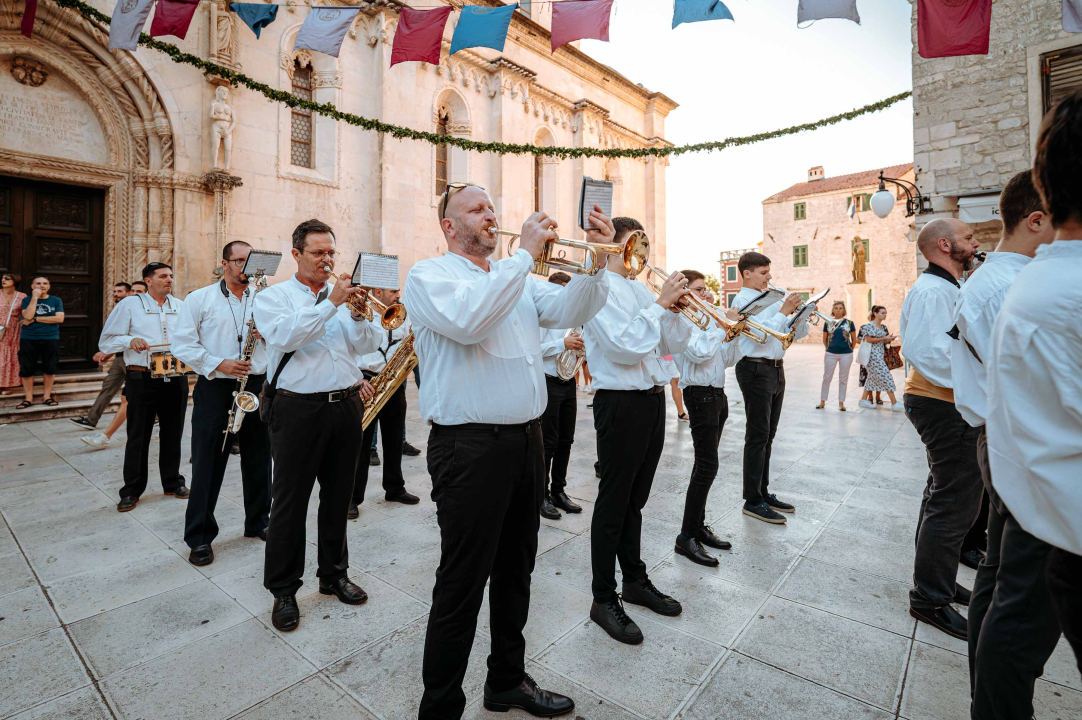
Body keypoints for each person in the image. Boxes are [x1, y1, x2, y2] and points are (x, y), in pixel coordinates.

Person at [406, 185, 611, 720]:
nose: (490, 215)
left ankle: (506, 681)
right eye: (476, 209)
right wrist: (522, 254)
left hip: (526, 441)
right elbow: (470, 321)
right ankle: (441, 706)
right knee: (462, 581)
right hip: (468, 448)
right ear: (450, 227)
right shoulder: (431, 277)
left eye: (491, 207)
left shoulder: (518, 280)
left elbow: (572, 308)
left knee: (517, 570)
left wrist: (599, 263)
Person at [949, 170, 1060, 717]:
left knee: (999, 575)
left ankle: (985, 687)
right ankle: (992, 697)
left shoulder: (1001, 281)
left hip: (1011, 432)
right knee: (1018, 594)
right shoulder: (1002, 285)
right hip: (1014, 434)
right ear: (1036, 221)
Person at [988, 91, 1082, 686]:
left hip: (1034, 484)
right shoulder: (1051, 294)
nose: (972, 247)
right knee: (1011, 617)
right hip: (1037, 490)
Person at [252, 218, 381, 633]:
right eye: (318, 253)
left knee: (338, 497)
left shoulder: (340, 298)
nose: (327, 260)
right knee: (289, 502)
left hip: (344, 406)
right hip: (297, 410)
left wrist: (360, 316)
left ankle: (334, 574)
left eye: (331, 252)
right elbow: (287, 337)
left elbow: (366, 347)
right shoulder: (274, 298)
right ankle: (284, 589)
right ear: (296, 255)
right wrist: (332, 304)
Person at [583, 216, 692, 645]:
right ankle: (602, 597)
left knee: (635, 500)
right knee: (613, 503)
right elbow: (624, 346)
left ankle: (634, 579)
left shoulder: (641, 290)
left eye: (643, 247)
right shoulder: (598, 290)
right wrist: (658, 306)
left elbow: (670, 347)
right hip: (620, 402)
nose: (641, 257)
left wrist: (677, 312)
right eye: (634, 246)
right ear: (612, 245)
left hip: (650, 399)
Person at [899, 217, 982, 640]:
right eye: (969, 237)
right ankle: (929, 598)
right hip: (943, 404)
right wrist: (984, 377)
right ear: (946, 245)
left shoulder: (944, 288)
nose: (976, 242)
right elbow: (925, 352)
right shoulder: (933, 290)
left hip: (943, 401)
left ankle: (939, 581)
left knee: (942, 496)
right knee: (953, 504)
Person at [171, 241, 272, 567]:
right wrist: (219, 363)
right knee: (208, 463)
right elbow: (182, 344)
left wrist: (270, 334)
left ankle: (259, 521)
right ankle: (199, 537)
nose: (245, 267)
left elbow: (284, 341)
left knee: (259, 459)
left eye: (249, 261)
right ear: (225, 263)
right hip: (216, 386)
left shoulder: (266, 299)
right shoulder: (200, 298)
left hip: (256, 385)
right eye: (239, 261)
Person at [99, 263, 189, 511]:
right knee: (138, 434)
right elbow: (106, 340)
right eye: (162, 276)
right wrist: (130, 340)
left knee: (173, 432)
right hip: (142, 376)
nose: (169, 280)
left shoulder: (181, 306)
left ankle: (173, 482)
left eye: (171, 276)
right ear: (148, 281)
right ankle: (131, 490)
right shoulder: (129, 305)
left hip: (175, 374)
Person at [672, 270, 743, 567]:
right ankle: (686, 537)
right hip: (699, 396)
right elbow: (699, 354)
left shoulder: (705, 321)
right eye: (700, 290)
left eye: (705, 290)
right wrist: (719, 323)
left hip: (717, 394)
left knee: (705, 465)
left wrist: (734, 333)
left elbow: (724, 359)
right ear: (685, 292)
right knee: (707, 465)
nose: (706, 295)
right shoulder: (682, 321)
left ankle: (698, 525)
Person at [732, 253, 806, 525]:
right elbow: (762, 335)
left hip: (775, 368)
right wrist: (783, 311)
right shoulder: (741, 301)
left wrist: (798, 317)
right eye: (764, 272)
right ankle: (752, 500)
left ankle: (762, 492)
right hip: (754, 368)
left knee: (769, 435)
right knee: (757, 435)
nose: (769, 277)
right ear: (747, 274)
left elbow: (789, 335)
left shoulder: (771, 299)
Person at [349, 285, 421, 520]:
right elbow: (346, 351)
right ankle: (352, 498)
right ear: (377, 293)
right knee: (360, 443)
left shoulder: (402, 314)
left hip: (393, 380)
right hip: (366, 382)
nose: (398, 295)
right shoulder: (359, 316)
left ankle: (394, 488)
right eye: (392, 291)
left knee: (394, 440)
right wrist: (356, 380)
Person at [538, 271, 584, 521]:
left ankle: (559, 491)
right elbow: (533, 348)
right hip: (548, 382)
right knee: (548, 441)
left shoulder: (572, 317)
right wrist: (562, 344)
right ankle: (541, 495)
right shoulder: (544, 318)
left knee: (567, 439)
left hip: (568, 382)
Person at [70, 282, 134, 430]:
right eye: (115, 292)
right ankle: (91, 419)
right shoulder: (118, 309)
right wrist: (109, 353)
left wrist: (106, 352)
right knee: (108, 386)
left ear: (128, 293)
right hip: (119, 357)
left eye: (120, 291)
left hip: (133, 357)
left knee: (137, 391)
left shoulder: (132, 310)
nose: (116, 294)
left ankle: (156, 417)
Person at [15, 275, 64, 409]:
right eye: (38, 283)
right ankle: (28, 398)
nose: (42, 286)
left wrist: (36, 319)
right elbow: (27, 316)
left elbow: (59, 319)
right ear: (32, 286)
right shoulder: (27, 300)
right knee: (27, 368)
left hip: (50, 337)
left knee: (49, 367)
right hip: (29, 338)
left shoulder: (56, 300)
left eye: (45, 284)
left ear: (48, 287)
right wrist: (35, 298)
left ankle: (47, 396)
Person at [857, 306, 901, 411]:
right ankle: (894, 403)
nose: (884, 315)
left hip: (880, 354)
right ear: (875, 313)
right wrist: (884, 338)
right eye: (882, 313)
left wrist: (888, 339)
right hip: (872, 356)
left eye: (885, 313)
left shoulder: (883, 326)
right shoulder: (869, 326)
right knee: (887, 377)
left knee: (871, 379)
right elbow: (869, 340)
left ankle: (863, 400)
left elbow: (883, 342)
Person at [817, 301, 856, 411]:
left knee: (843, 379)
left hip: (846, 354)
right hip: (831, 354)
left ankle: (841, 403)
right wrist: (830, 348)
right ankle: (822, 401)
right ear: (833, 310)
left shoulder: (849, 323)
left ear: (844, 310)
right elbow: (824, 339)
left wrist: (850, 350)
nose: (838, 310)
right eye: (836, 308)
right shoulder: (828, 323)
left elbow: (854, 339)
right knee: (826, 378)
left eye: (840, 308)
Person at [1, 273, 26, 396]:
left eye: (7, 278)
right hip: (0, 329)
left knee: (9, 356)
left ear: (15, 281)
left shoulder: (21, 296)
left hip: (14, 330)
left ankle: (5, 384)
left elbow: (25, 313)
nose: (3, 280)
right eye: (2, 278)